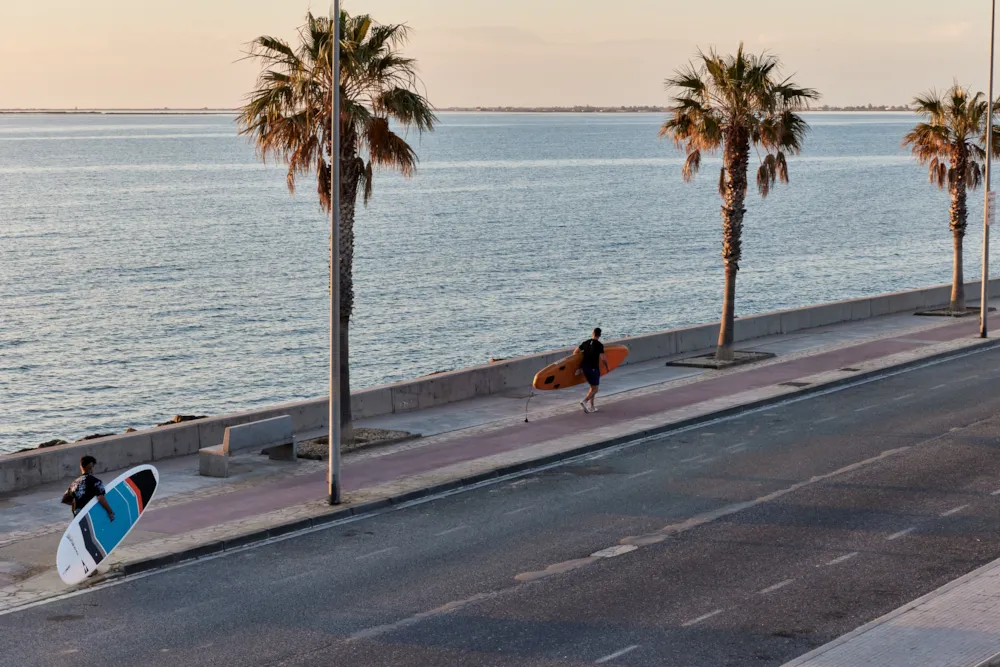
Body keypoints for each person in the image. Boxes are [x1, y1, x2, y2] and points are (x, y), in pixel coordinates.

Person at [62, 456, 115, 521]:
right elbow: (100, 498)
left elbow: (65, 500)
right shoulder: (95, 481)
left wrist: (78, 505)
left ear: (81, 467)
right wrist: (110, 511)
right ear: (91, 467)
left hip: (77, 515)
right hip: (91, 514)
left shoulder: (74, 483)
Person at [576, 327, 608, 413]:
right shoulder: (599, 345)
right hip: (593, 368)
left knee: (592, 388)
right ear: (599, 335)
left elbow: (575, 352)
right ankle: (584, 401)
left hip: (585, 368)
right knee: (596, 389)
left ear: (592, 333)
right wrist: (607, 366)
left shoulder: (585, 343)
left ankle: (592, 407)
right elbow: (603, 358)